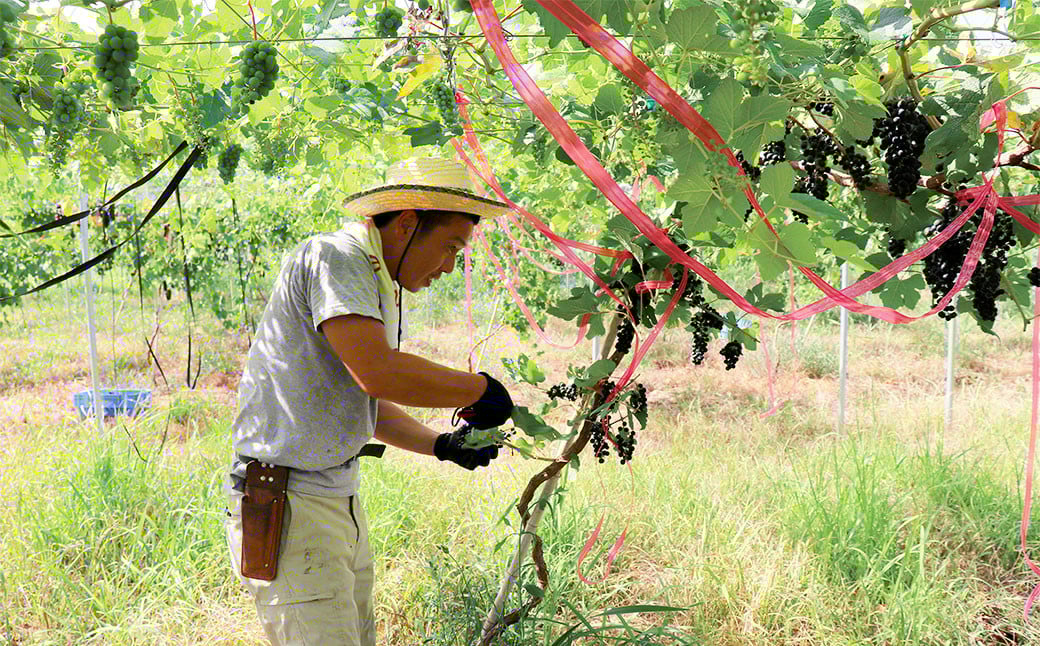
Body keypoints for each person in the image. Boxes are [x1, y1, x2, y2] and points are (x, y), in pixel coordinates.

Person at [223, 157, 516, 645]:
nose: (449, 266)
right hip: (292, 505)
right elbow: (378, 372)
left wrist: (441, 444)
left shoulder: (371, 275)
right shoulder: (337, 257)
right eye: (450, 247)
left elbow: (360, 399)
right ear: (406, 223)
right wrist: (479, 389)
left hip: (332, 498)